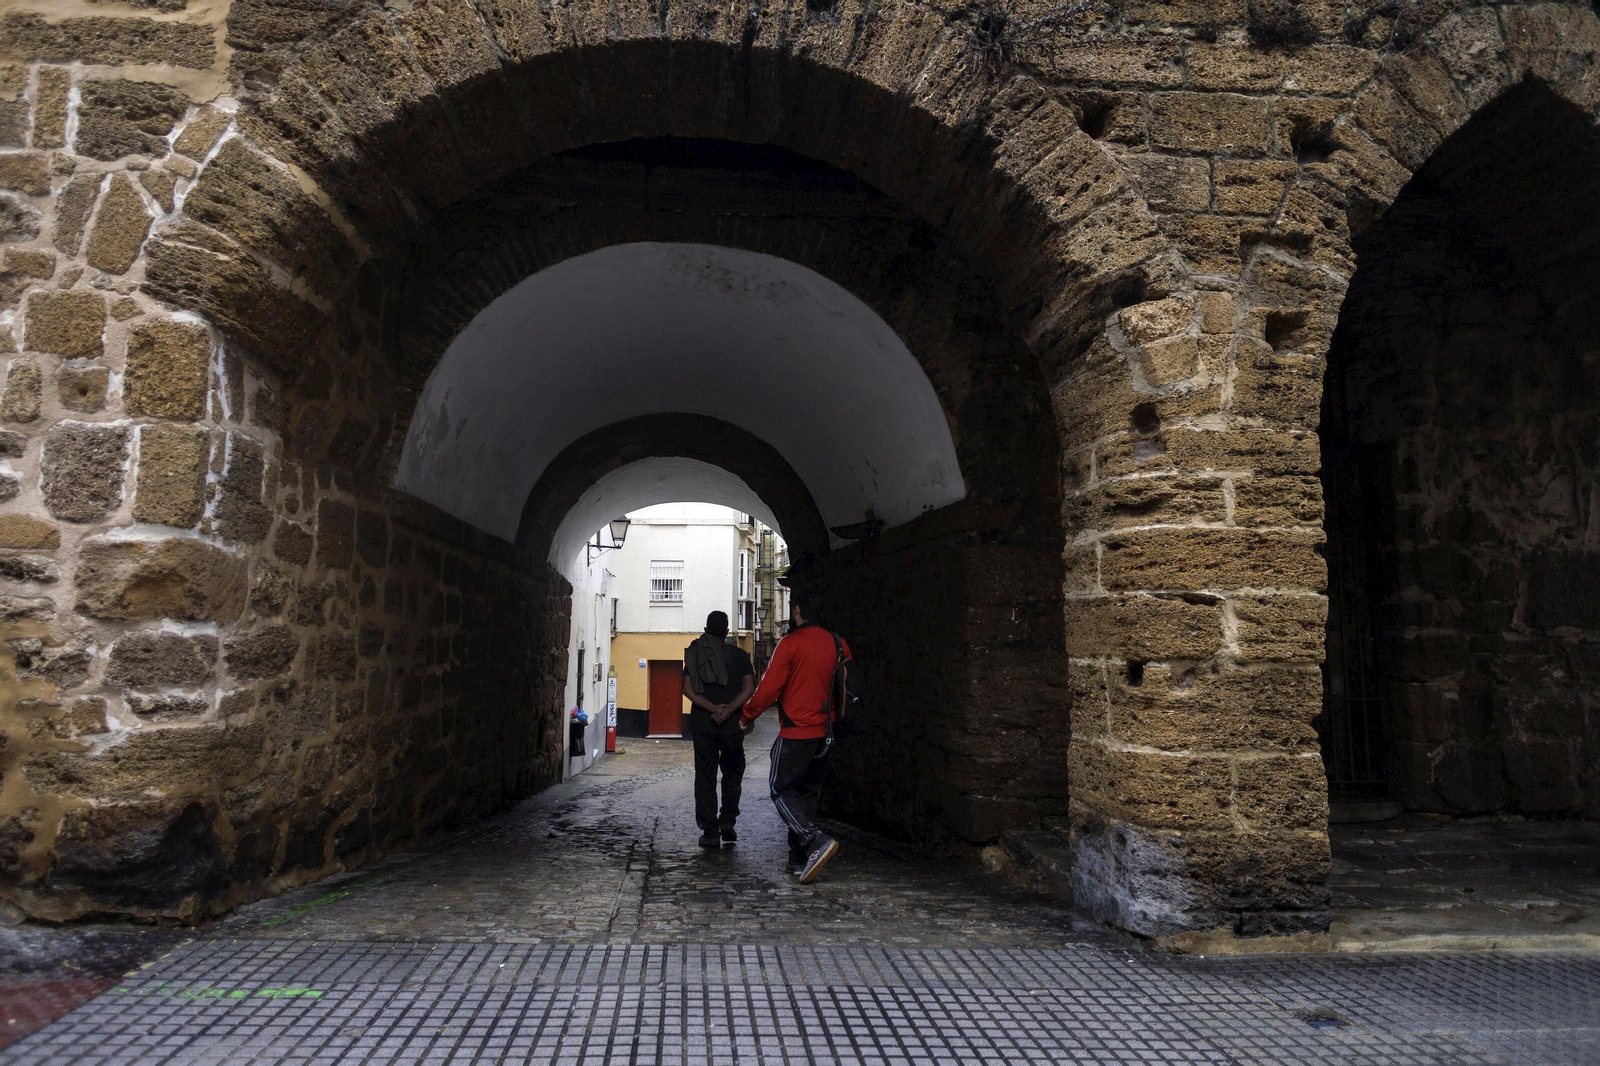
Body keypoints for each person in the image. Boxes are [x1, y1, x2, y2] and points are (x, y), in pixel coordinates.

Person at [739, 587, 850, 883]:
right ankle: (799, 859)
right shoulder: (838, 643)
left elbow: (769, 687)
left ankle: (814, 841)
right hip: (825, 734)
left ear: (797, 610)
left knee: (780, 788)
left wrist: (748, 715)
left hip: (796, 731)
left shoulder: (790, 644)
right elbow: (844, 685)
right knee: (806, 794)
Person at [682, 610, 755, 848]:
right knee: (733, 774)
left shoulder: (695, 653)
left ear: (706, 629)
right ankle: (727, 821)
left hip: (704, 724)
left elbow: (687, 689)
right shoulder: (740, 655)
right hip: (732, 727)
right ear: (726, 632)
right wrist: (729, 709)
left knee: (705, 777)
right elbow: (749, 688)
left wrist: (712, 708)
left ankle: (710, 831)